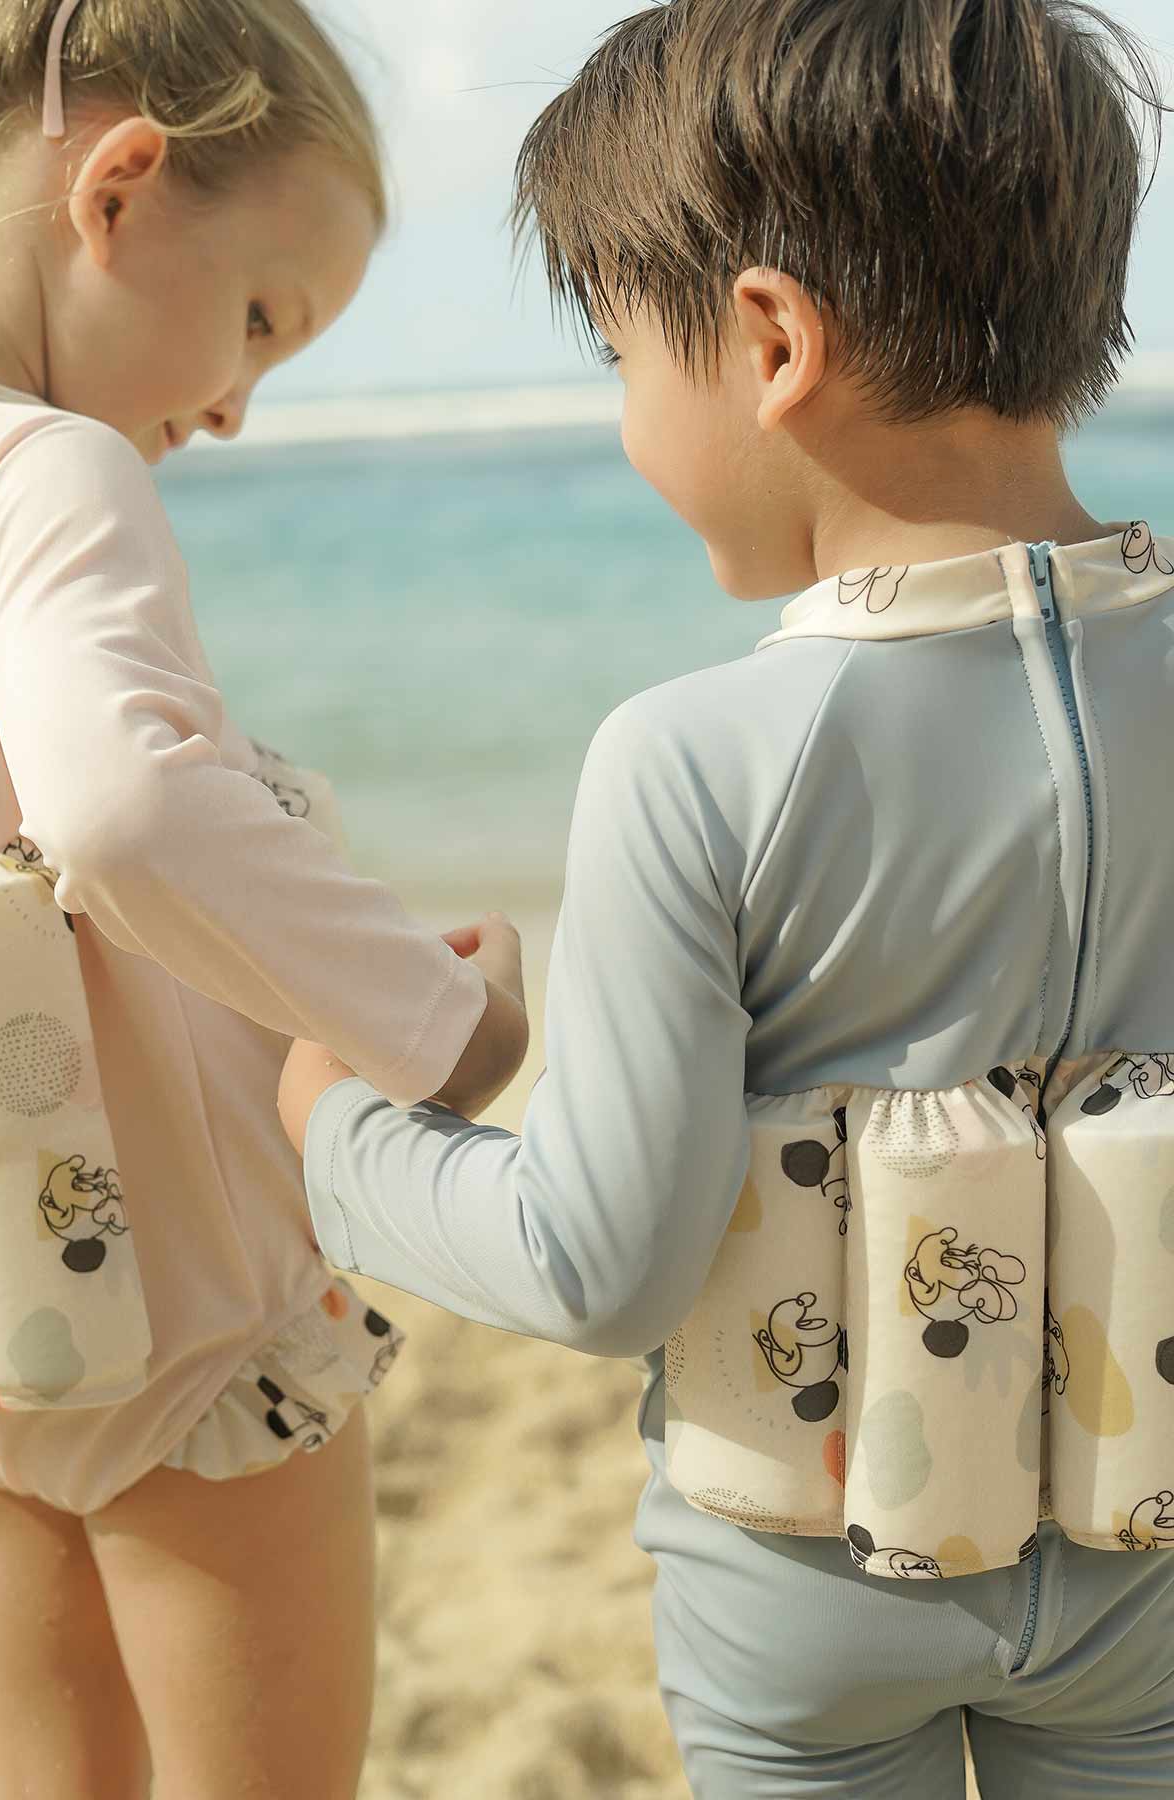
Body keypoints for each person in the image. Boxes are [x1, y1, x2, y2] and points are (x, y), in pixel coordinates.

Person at [278, 1, 1174, 1794]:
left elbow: (597, 1261)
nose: (625, 414)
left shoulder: (692, 759)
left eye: (623, 358)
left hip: (805, 1595)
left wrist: (333, 1130)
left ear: (770, 339)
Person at [0, 3, 528, 1796]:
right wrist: (433, 1022)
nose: (232, 405)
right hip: (191, 1307)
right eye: (264, 322)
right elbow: (127, 812)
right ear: (121, 188)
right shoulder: (49, 468)